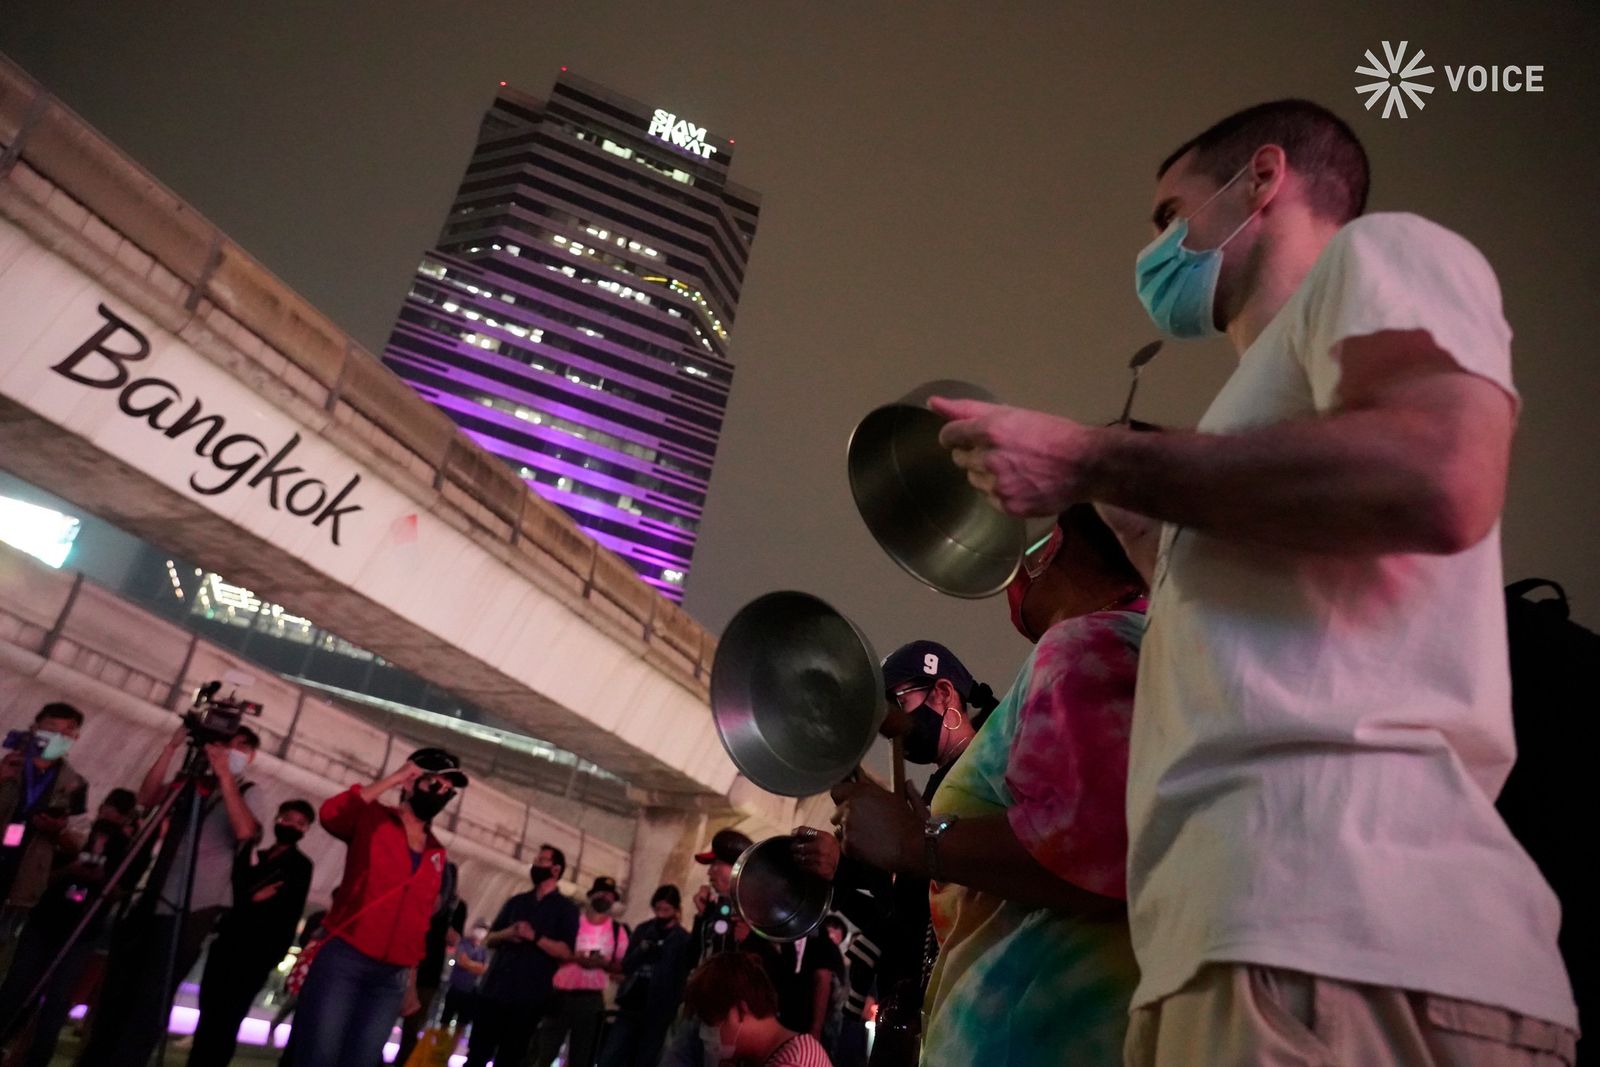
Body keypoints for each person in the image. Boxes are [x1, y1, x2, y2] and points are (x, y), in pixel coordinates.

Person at [932, 99, 1578, 1064]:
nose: (1155, 249)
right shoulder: (1254, 414)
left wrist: (1094, 458)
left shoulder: (1381, 256)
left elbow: (1444, 474)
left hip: (1326, 933)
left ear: (1262, 180)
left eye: (1169, 214)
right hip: (1255, 944)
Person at [830, 506, 1146, 1063]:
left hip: (1029, 1037)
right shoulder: (1141, 639)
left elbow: (1088, 848)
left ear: (1057, 546)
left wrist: (916, 842)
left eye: (1034, 543)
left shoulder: (1083, 643)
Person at [790, 641, 997, 1051]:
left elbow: (955, 894)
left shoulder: (982, 774)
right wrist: (842, 873)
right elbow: (905, 913)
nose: (890, 720)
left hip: (960, 1015)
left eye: (897, 702)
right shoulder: (944, 783)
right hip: (919, 1011)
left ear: (942, 693)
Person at [76, 724, 265, 1067]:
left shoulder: (248, 791)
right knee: (118, 991)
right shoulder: (192, 783)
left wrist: (224, 776)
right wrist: (171, 749)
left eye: (238, 749)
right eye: (225, 746)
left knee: (151, 1000)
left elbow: (245, 831)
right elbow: (148, 798)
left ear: (249, 757)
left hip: (193, 907)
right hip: (151, 896)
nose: (228, 754)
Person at [285, 747, 466, 1067]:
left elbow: (418, 921)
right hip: (346, 957)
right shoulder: (374, 819)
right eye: (435, 784)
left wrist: (410, 983)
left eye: (448, 791)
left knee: (363, 1059)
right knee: (318, 1055)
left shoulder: (436, 854)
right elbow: (332, 814)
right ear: (411, 783)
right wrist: (394, 777)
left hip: (391, 977)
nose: (442, 794)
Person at [0, 788, 135, 1067]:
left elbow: (121, 890)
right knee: (18, 986)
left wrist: (101, 881)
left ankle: (36, 1057)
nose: (108, 816)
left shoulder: (126, 846)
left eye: (116, 813)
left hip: (83, 929)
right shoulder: (76, 834)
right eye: (107, 809)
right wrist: (72, 867)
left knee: (57, 1001)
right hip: (46, 919)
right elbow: (42, 877)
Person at [186, 798, 316, 1067]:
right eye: (287, 819)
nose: (291, 825)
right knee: (209, 1012)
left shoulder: (301, 866)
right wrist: (252, 897)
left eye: (299, 823)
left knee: (228, 1018)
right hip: (228, 943)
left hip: (256, 953)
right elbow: (237, 889)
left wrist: (251, 899)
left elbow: (284, 909)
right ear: (277, 819)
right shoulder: (259, 854)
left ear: (306, 830)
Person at [466, 844, 580, 1067]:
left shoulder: (566, 910)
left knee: (510, 1056)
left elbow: (566, 952)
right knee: (477, 1053)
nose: (536, 865)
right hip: (495, 989)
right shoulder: (516, 902)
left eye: (542, 861)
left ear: (556, 870)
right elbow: (489, 939)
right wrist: (507, 933)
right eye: (536, 860)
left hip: (529, 997)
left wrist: (534, 937)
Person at [0, 702, 90, 941]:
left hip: (23, 882)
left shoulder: (75, 784)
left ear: (75, 738)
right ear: (34, 728)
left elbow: (78, 843)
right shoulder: (8, 762)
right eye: (51, 728)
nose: (58, 737)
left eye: (66, 732)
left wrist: (58, 832)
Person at [535, 875, 627, 1067]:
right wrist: (577, 958)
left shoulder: (618, 931)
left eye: (611, 896)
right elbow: (552, 951)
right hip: (561, 995)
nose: (606, 899)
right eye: (602, 893)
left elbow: (621, 967)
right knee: (543, 1052)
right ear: (592, 894)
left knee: (582, 1057)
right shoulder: (571, 921)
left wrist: (603, 964)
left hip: (591, 999)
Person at [683, 951, 831, 1067]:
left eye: (710, 1023)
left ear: (741, 1011)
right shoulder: (784, 1050)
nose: (704, 1034)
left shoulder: (793, 1063)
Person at [598, 884, 690, 1067]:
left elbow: (681, 975)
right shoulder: (644, 930)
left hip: (658, 1010)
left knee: (645, 1059)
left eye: (666, 909)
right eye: (658, 909)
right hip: (631, 1003)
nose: (662, 914)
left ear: (676, 909)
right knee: (612, 1056)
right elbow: (627, 964)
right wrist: (642, 950)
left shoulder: (682, 939)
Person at [393, 867, 465, 1066]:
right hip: (408, 962)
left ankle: (403, 1061)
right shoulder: (420, 897)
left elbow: (455, 939)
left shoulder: (456, 907)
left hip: (427, 969)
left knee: (413, 1025)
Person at [689, 827, 750, 964]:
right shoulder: (715, 909)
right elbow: (693, 959)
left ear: (737, 867)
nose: (709, 872)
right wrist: (702, 916)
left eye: (715, 863)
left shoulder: (759, 914)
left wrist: (752, 940)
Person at [440, 919, 490, 1032]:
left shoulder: (484, 950)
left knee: (461, 1025)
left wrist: (469, 964)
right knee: (445, 1022)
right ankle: (439, 1047)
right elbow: (461, 961)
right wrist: (477, 966)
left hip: (471, 992)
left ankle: (451, 1049)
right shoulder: (463, 943)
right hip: (456, 988)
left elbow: (484, 969)